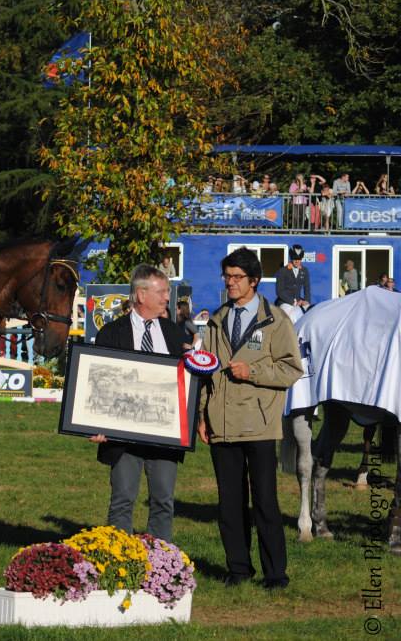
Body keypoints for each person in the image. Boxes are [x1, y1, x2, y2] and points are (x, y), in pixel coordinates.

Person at [197, 247, 302, 589]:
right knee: (229, 504)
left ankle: (276, 575)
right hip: (221, 424)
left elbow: (291, 368)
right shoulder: (215, 319)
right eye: (227, 276)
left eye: (237, 277)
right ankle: (238, 569)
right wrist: (201, 414)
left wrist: (252, 370)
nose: (230, 283)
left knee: (266, 504)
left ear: (254, 281)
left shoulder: (277, 320)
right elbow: (205, 370)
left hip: (259, 424)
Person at [90, 264, 189, 543]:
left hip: (164, 433)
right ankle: (119, 564)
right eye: (162, 292)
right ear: (141, 294)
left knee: (163, 501)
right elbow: (97, 384)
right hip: (123, 436)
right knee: (122, 500)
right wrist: (95, 424)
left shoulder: (173, 333)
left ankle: (161, 568)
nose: (167, 298)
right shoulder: (110, 333)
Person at [274, 244, 310, 319]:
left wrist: (306, 300)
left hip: (299, 301)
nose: (297, 261)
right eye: (295, 258)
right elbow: (279, 291)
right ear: (291, 258)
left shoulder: (304, 270)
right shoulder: (283, 271)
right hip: (285, 302)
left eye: (299, 259)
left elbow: (307, 287)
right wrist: (293, 302)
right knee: (292, 318)